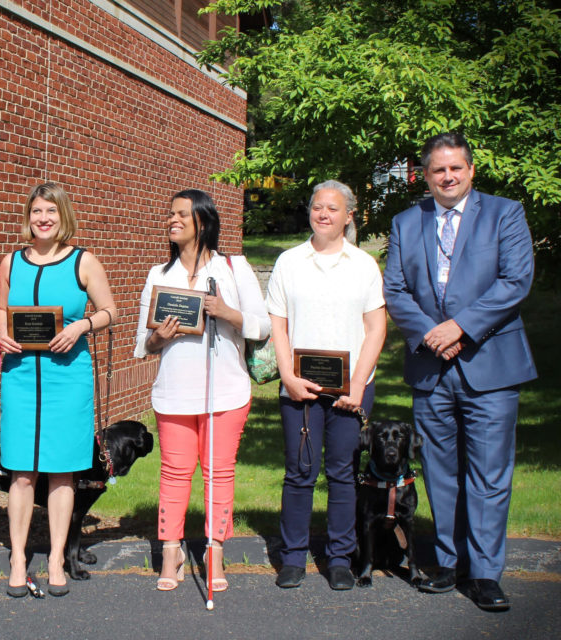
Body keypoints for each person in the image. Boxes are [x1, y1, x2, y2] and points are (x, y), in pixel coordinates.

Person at [383, 133, 536, 611]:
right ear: (425, 176)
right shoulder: (407, 222)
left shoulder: (505, 213)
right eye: (437, 170)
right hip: (431, 367)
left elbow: (516, 281)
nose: (447, 177)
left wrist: (460, 328)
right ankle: (448, 564)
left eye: (456, 168)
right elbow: (396, 289)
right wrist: (433, 333)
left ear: (470, 170)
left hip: (489, 366)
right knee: (440, 471)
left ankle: (486, 575)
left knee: (489, 475)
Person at [134, 189, 270, 592]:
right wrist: (159, 337)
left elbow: (261, 326)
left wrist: (226, 312)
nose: (171, 220)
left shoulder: (234, 267)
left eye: (180, 214)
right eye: (170, 214)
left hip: (226, 392)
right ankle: (171, 550)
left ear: (202, 222)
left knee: (219, 472)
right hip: (174, 392)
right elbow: (142, 345)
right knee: (174, 473)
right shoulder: (160, 275)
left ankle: (215, 549)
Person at [0, 182, 116, 597]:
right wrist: (1, 334)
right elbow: (0, 309)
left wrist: (81, 325)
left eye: (50, 211)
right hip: (20, 377)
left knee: (62, 470)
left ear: (63, 216)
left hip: (68, 377)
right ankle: (17, 557)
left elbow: (108, 311)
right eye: (36, 212)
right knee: (22, 471)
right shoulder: (11, 261)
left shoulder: (84, 261)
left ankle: (55, 557)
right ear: (28, 218)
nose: (43, 219)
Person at [267, 180, 386, 591]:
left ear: (349, 215)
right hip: (299, 386)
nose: (323, 214)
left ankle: (339, 557)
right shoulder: (289, 262)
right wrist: (286, 376)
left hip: (351, 388)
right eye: (317, 207)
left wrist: (356, 385)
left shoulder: (364, 265)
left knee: (342, 472)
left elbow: (376, 328)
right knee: (300, 471)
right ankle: (293, 557)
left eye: (333, 209)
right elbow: (278, 325)